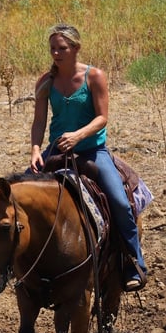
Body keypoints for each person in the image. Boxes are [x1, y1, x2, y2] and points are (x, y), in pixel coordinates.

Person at [29, 23, 147, 291]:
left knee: (119, 201)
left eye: (62, 48)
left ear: (76, 48)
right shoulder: (45, 82)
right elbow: (38, 122)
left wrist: (78, 136)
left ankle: (133, 262)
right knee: (20, 197)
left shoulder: (94, 77)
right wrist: (36, 149)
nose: (56, 54)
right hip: (57, 151)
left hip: (92, 150)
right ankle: (25, 266)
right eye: (53, 49)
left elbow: (102, 118)